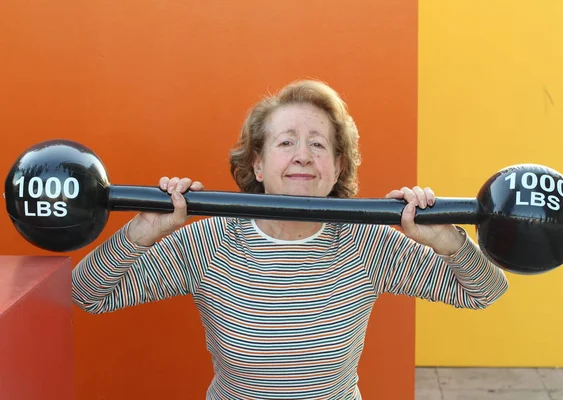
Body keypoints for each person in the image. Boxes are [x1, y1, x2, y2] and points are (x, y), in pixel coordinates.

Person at [72, 79, 509, 399]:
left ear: (337, 169)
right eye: (286, 142)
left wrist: (447, 241)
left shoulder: (367, 244)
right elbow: (87, 294)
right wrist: (139, 234)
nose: (303, 154)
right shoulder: (209, 242)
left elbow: (486, 292)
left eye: (318, 145)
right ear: (258, 166)